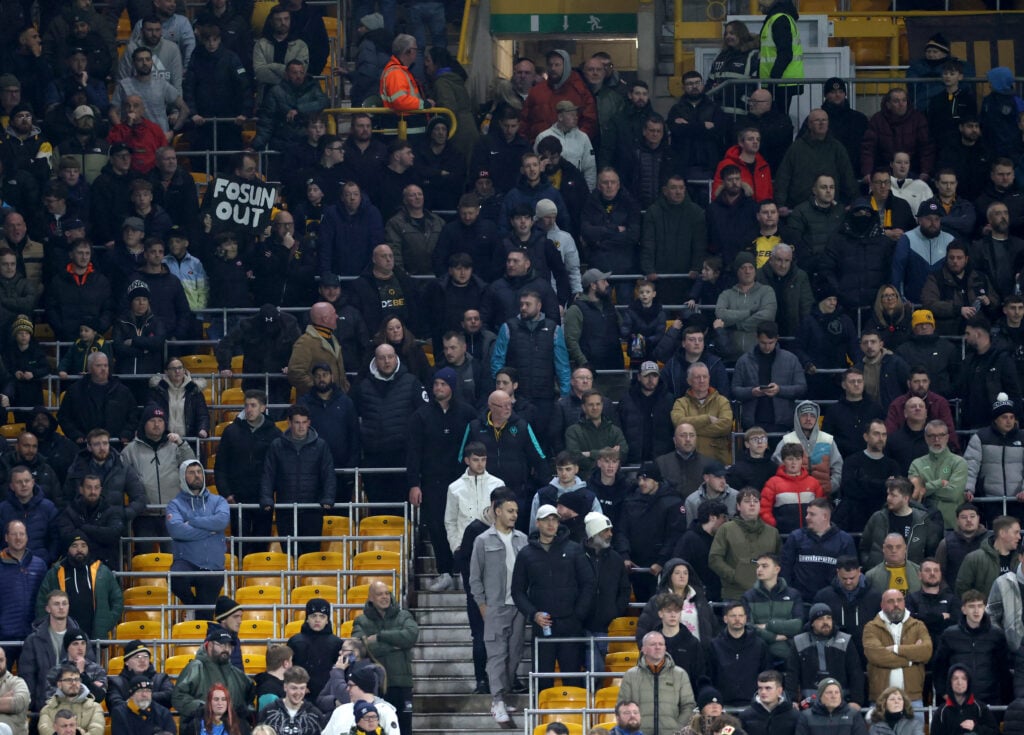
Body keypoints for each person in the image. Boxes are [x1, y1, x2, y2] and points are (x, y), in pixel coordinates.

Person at [511, 504, 595, 689]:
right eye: (546, 520)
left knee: (573, 678)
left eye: (554, 519)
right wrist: (533, 615)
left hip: (570, 625)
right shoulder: (526, 554)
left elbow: (588, 583)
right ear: (537, 523)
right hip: (543, 626)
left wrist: (578, 614)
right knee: (543, 680)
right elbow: (517, 591)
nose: (551, 524)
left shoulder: (574, 549)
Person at [469, 488, 527, 725]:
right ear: (497, 511)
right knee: (496, 655)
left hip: (519, 607)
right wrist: (482, 605)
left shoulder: (523, 539)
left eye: (516, 511)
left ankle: (505, 695)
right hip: (495, 606)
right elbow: (475, 578)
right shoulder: (482, 540)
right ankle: (497, 700)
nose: (514, 515)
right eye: (510, 511)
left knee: (514, 655)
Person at [260, 404, 336, 555]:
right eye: (297, 422)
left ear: (309, 423)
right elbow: (268, 474)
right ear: (289, 422)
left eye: (304, 422)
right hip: (285, 510)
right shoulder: (277, 446)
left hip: (312, 510)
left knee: (310, 556)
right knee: (289, 556)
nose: (301, 427)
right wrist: (266, 498)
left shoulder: (321, 446)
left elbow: (328, 474)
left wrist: (328, 497)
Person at [121, 404, 196, 545]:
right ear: (144, 423)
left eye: (160, 420)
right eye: (152, 420)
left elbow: (192, 467)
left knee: (174, 559)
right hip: (143, 514)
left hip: (172, 513)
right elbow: (122, 481)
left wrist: (182, 444)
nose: (157, 424)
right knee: (145, 559)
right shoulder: (129, 451)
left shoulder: (175, 447)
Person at [352, 581, 418, 735]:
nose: (385, 597)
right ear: (371, 598)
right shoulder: (361, 621)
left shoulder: (404, 615)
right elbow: (360, 647)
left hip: (401, 684)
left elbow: (411, 636)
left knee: (404, 728)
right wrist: (396, 645)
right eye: (380, 594)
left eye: (387, 593)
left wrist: (380, 637)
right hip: (375, 687)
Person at [166, 458, 228, 618]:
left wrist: (193, 522)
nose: (197, 476)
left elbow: (221, 521)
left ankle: (197, 615)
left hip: (212, 566)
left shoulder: (218, 500)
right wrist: (209, 530)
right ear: (183, 477)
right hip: (186, 560)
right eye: (191, 473)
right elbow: (177, 530)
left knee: (204, 618)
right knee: (175, 577)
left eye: (199, 472)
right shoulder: (175, 504)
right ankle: (191, 605)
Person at [35, 535, 122, 640]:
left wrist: (106, 622)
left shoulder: (102, 571)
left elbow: (117, 600)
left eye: (83, 546)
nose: (79, 549)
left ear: (88, 548)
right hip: (63, 637)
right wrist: (49, 627)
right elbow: (42, 603)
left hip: (94, 636)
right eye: (74, 546)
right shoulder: (55, 573)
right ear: (68, 549)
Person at [931, 589, 1007, 705]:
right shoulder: (949, 635)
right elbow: (939, 667)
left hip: (990, 699)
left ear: (984, 608)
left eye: (980, 606)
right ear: (963, 609)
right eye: (971, 606)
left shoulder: (997, 635)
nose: (976, 611)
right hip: (958, 700)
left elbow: (1003, 670)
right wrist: (944, 692)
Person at [775, 109, 858, 210]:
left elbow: (847, 176)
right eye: (817, 120)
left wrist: (855, 201)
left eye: (824, 120)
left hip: (830, 207)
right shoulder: (796, 148)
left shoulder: (837, 148)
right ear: (809, 125)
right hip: (800, 207)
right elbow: (784, 177)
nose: (821, 123)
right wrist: (780, 204)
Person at [732, 320, 806, 434]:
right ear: (757, 338)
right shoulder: (744, 361)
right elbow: (735, 390)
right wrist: (752, 392)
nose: (767, 346)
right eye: (763, 342)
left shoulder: (791, 359)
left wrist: (779, 390)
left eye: (770, 343)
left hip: (782, 423)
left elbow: (802, 388)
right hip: (753, 423)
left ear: (777, 338)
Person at [618, 631, 695, 735]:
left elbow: (688, 705)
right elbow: (623, 706)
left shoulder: (680, 674)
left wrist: (677, 729)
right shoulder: (630, 675)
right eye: (653, 644)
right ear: (643, 649)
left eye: (661, 644)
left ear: (665, 648)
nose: (658, 647)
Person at [862, 589, 933, 704]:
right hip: (881, 698)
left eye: (899, 600)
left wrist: (896, 649)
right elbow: (877, 656)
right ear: (882, 605)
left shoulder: (918, 626)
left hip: (913, 698)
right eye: (890, 601)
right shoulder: (871, 628)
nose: (896, 604)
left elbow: (926, 652)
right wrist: (910, 660)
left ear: (904, 603)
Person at [786, 604, 865, 706]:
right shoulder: (799, 641)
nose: (825, 622)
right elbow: (792, 674)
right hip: (809, 701)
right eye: (820, 619)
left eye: (829, 618)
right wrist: (792, 700)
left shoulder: (845, 640)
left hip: (841, 700)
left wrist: (856, 701)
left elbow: (855, 672)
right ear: (812, 623)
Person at [709, 489, 781, 600]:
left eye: (756, 501)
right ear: (738, 506)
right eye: (747, 501)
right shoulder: (726, 529)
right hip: (735, 594)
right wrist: (734, 576)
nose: (752, 504)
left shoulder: (772, 532)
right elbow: (714, 559)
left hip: (766, 593)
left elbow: (780, 560)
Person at [781, 498, 857, 599]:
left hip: (832, 600)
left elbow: (850, 571)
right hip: (801, 600)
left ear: (825, 516)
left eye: (812, 514)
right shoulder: (796, 537)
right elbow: (786, 568)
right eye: (807, 513)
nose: (807, 517)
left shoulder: (844, 540)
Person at [172, 630, 255, 721]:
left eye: (229, 645)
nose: (226, 649)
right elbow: (178, 697)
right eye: (222, 645)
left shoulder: (238, 674)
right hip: (199, 728)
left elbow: (250, 700)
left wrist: (247, 712)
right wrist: (203, 709)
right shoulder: (196, 668)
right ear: (210, 645)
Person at [520, 49, 597, 143]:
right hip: (539, 147)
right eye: (550, 65)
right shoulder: (536, 91)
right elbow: (524, 120)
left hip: (571, 149)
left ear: (566, 66)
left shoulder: (580, 91)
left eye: (557, 65)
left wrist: (577, 143)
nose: (553, 68)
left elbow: (589, 121)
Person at [708, 602, 772, 707]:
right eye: (733, 616)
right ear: (725, 619)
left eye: (741, 616)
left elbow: (767, 674)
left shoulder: (759, 645)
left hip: (754, 703)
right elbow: (710, 676)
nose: (737, 619)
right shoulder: (714, 645)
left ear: (746, 618)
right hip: (723, 703)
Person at [909, 420, 968, 530]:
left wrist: (925, 488)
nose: (937, 440)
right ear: (926, 438)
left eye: (941, 435)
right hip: (923, 526)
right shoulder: (916, 464)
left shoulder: (959, 462)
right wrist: (939, 483)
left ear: (947, 437)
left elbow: (953, 493)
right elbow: (914, 494)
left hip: (951, 526)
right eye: (932, 436)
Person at [283, 598, 343, 706]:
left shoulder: (337, 643)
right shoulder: (295, 641)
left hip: (328, 696)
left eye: (322, 616)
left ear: (327, 620)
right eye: (313, 616)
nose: (317, 620)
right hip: (301, 696)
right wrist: (298, 686)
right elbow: (289, 669)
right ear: (307, 618)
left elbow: (339, 670)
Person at [55, 474, 123, 569]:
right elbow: (67, 537)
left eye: (96, 487)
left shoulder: (111, 510)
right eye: (89, 487)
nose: (93, 491)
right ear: (81, 489)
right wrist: (99, 535)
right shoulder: (70, 510)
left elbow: (114, 534)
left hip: (105, 563)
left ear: (101, 489)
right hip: (76, 563)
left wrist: (83, 527)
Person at [564, 268, 624, 373]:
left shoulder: (609, 306)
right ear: (593, 285)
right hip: (591, 373)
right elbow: (571, 341)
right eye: (603, 281)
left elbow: (623, 329)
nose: (607, 284)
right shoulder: (576, 309)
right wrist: (584, 364)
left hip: (616, 368)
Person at [0, 521, 47, 656]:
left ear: (27, 537)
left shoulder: (39, 565)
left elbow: (45, 599)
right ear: (6, 537)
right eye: (14, 534)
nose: (18, 538)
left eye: (22, 534)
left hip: (32, 636)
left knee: (29, 677)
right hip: (4, 637)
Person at [0, 467, 59, 566]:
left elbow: (56, 539)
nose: (24, 485)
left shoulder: (48, 507)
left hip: (42, 565)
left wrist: (48, 559)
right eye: (19, 482)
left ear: (33, 482)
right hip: (8, 566)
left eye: (26, 481)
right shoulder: (2, 509)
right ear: (11, 486)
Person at [956, 514, 1020, 597]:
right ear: (1002, 533)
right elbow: (962, 590)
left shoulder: (1020, 560)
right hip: (984, 609)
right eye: (1016, 532)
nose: (1019, 537)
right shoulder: (974, 558)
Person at [931, 665, 998, 735]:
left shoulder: (980, 708)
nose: (959, 682)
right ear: (950, 683)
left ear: (968, 682)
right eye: (955, 678)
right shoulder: (941, 712)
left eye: (964, 678)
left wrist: (976, 728)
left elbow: (996, 732)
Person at [106, 641, 172, 710]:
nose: (142, 660)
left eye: (146, 657)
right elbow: (114, 704)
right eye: (137, 657)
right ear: (126, 662)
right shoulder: (116, 683)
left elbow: (169, 697)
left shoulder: (161, 679)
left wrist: (143, 697)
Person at [37, 667, 104, 735]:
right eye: (69, 680)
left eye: (77, 679)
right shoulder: (48, 709)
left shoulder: (94, 707)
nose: (74, 683)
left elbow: (97, 730)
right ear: (59, 684)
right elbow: (45, 730)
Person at [740, 670, 800, 735]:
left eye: (768, 688)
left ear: (779, 690)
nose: (763, 692)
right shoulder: (746, 716)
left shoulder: (795, 717)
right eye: (760, 688)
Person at [110, 676, 176, 735]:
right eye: (140, 691)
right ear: (131, 695)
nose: (144, 694)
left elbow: (170, 731)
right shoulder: (119, 713)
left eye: (148, 691)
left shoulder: (163, 712)